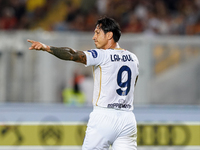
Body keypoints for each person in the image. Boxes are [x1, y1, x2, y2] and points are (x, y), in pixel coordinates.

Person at [27, 16, 139, 150]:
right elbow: (133, 84)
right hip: (127, 119)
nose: (93, 37)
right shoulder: (133, 58)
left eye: (97, 33)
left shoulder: (102, 55)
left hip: (104, 117)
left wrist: (47, 48)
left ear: (109, 35)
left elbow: (72, 54)